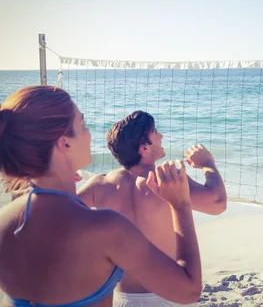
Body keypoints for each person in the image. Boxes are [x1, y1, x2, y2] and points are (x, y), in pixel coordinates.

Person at [0, 86, 202, 306]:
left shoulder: (6, 220)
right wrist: (180, 203)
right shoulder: (107, 227)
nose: (89, 133)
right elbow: (189, 291)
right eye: (83, 125)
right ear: (64, 143)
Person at [77, 110, 226, 306]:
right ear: (143, 148)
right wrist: (208, 163)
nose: (161, 136)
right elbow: (217, 204)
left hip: (123, 298)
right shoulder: (165, 179)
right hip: (171, 294)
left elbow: (61, 214)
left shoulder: (100, 184)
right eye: (155, 132)